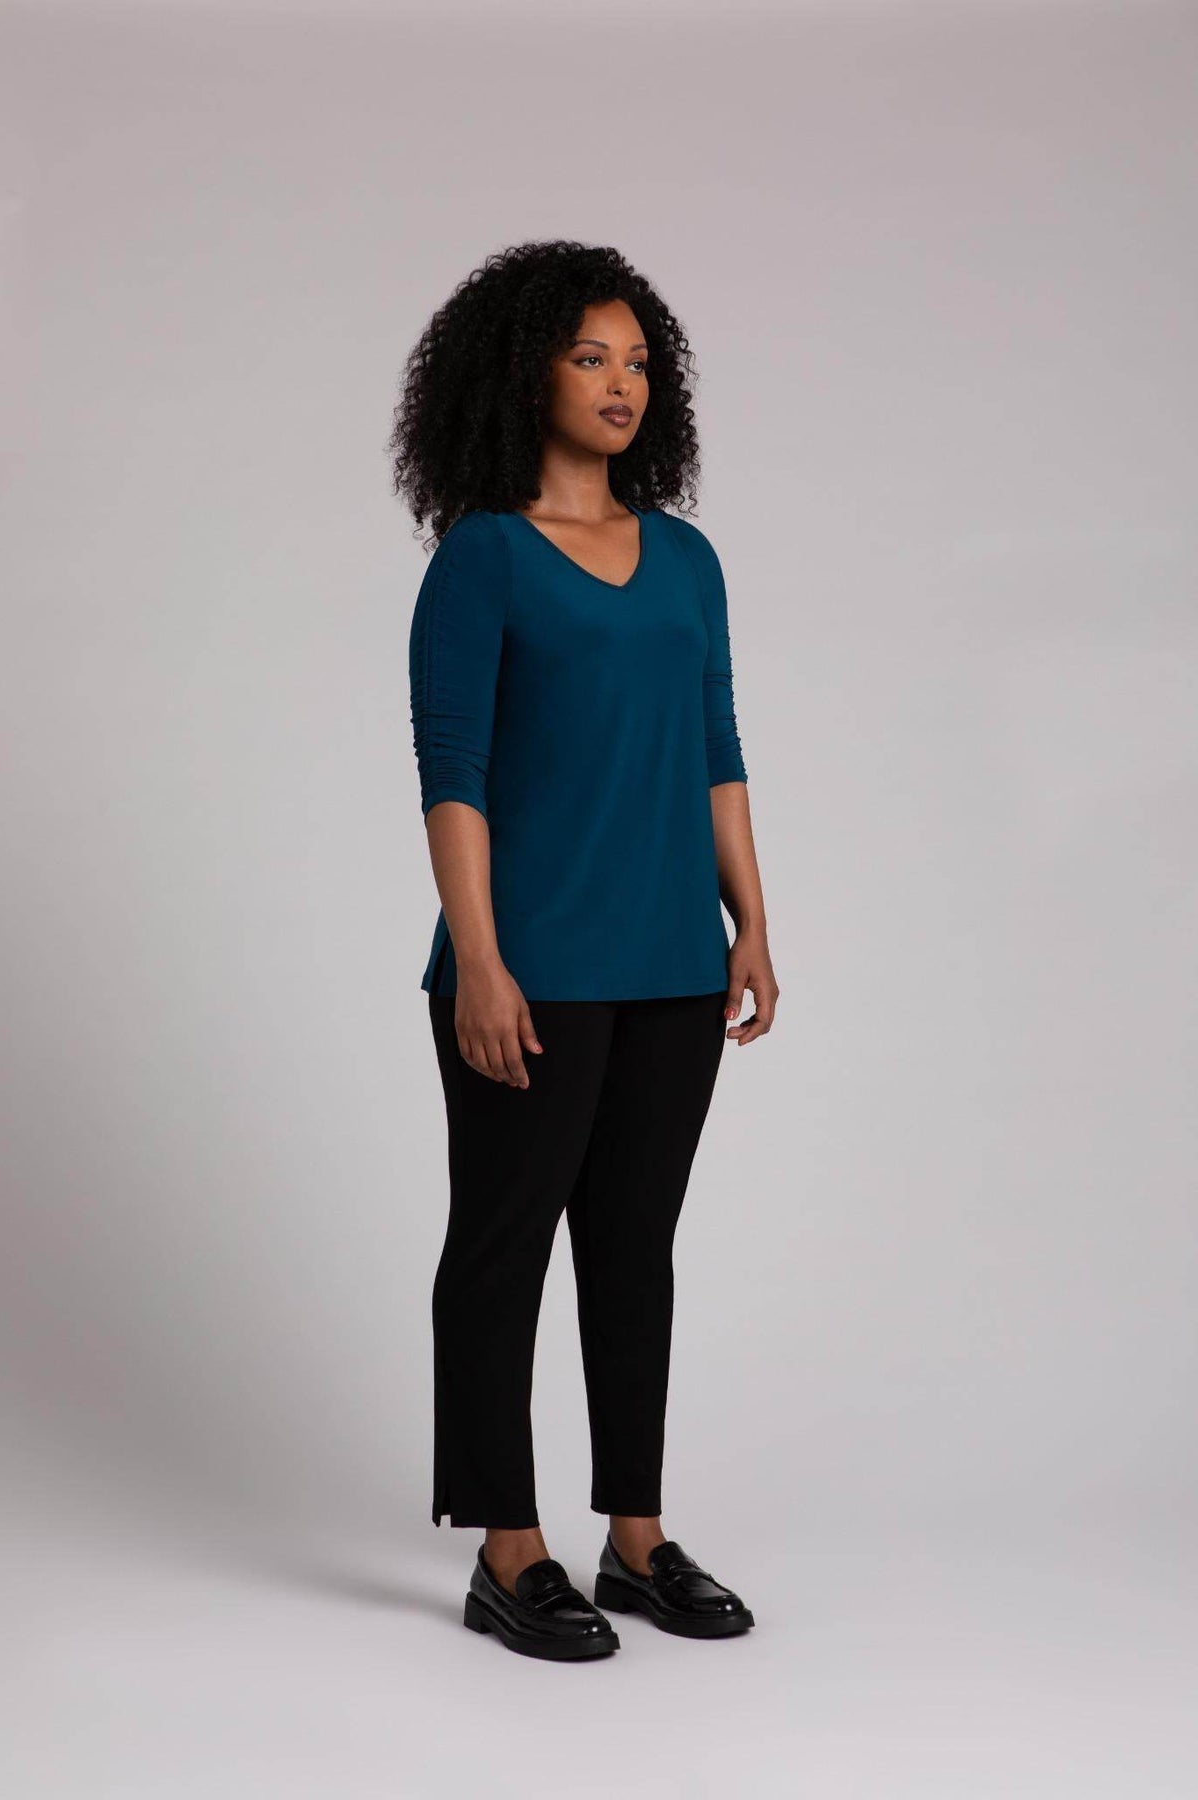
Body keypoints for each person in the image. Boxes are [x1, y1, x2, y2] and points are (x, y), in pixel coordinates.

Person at [389, 239, 779, 1661]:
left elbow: (717, 746)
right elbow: (453, 772)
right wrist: (479, 959)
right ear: (525, 374)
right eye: (588, 357)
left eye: (639, 361)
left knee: (634, 1251)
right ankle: (508, 1550)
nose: (623, 383)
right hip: (532, 968)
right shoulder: (482, 558)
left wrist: (752, 918)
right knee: (504, 1248)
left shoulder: (688, 560)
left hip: (675, 963)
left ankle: (636, 1539)